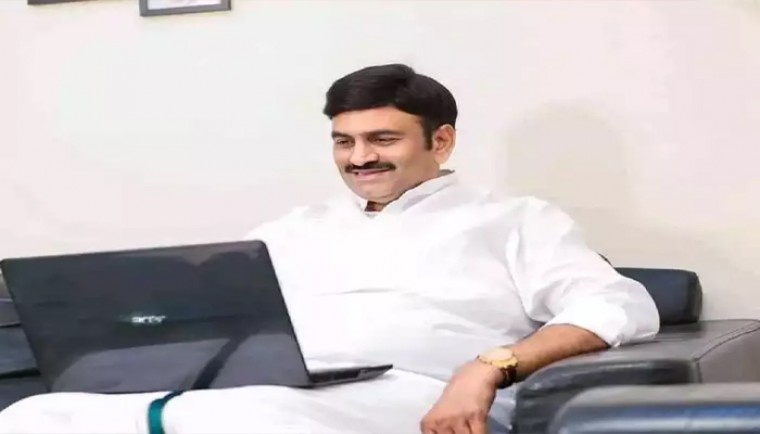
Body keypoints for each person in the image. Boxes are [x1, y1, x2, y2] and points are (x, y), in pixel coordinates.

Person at [0, 64, 659, 434]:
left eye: (382, 139)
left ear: (441, 141)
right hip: (274, 391)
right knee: (35, 415)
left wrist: (486, 368)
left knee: (249, 420)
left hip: (418, 391)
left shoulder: (513, 220)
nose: (359, 158)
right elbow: (210, 309)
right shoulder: (294, 228)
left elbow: (618, 305)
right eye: (344, 142)